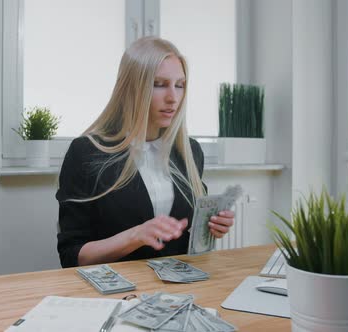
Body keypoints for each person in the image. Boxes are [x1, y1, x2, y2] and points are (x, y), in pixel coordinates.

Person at [56, 36, 235, 268]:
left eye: (179, 85)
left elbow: (182, 242)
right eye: (159, 84)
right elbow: (71, 256)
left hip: (176, 291)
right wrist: (135, 236)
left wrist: (211, 228)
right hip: (116, 293)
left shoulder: (189, 151)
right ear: (132, 88)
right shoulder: (86, 153)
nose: (173, 98)